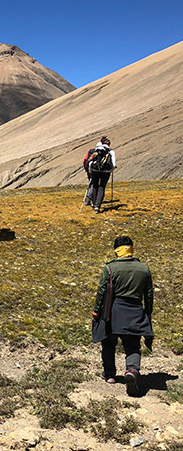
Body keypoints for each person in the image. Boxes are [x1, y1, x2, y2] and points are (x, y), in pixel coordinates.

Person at [92, 236, 153, 396]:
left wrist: (97, 310)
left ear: (116, 250)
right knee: (133, 345)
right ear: (131, 249)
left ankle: (110, 375)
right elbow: (148, 294)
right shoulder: (144, 269)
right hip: (135, 311)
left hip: (113, 311)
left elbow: (102, 291)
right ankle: (132, 370)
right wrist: (148, 312)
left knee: (108, 343)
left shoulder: (110, 268)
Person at [89, 136, 116, 213]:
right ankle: (97, 206)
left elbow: (91, 161)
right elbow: (113, 164)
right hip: (106, 171)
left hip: (95, 170)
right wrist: (111, 169)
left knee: (95, 185)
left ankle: (94, 204)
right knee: (102, 187)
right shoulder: (110, 151)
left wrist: (91, 171)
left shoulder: (96, 150)